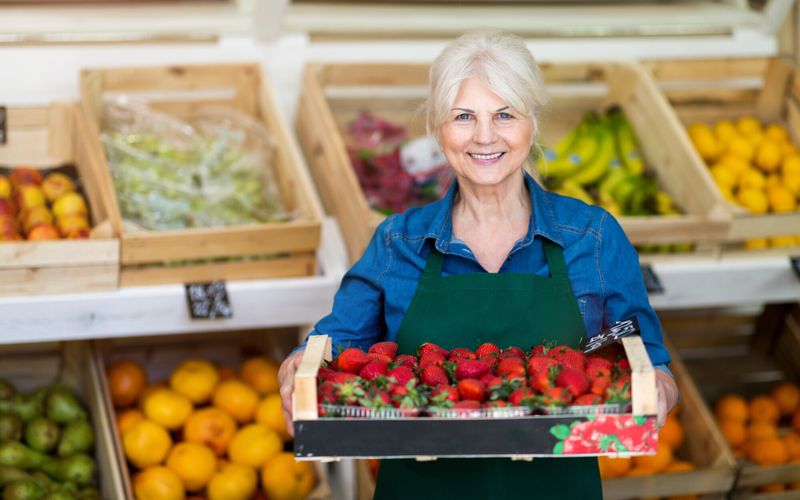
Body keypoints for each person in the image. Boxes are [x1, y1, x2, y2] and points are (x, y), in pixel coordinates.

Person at [279, 30, 679, 499]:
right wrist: (295, 371)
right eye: (463, 117)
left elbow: (645, 357)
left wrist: (658, 392)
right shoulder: (398, 241)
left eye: (505, 114)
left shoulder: (590, 236)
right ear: (437, 129)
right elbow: (333, 346)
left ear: (532, 122)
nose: (485, 136)